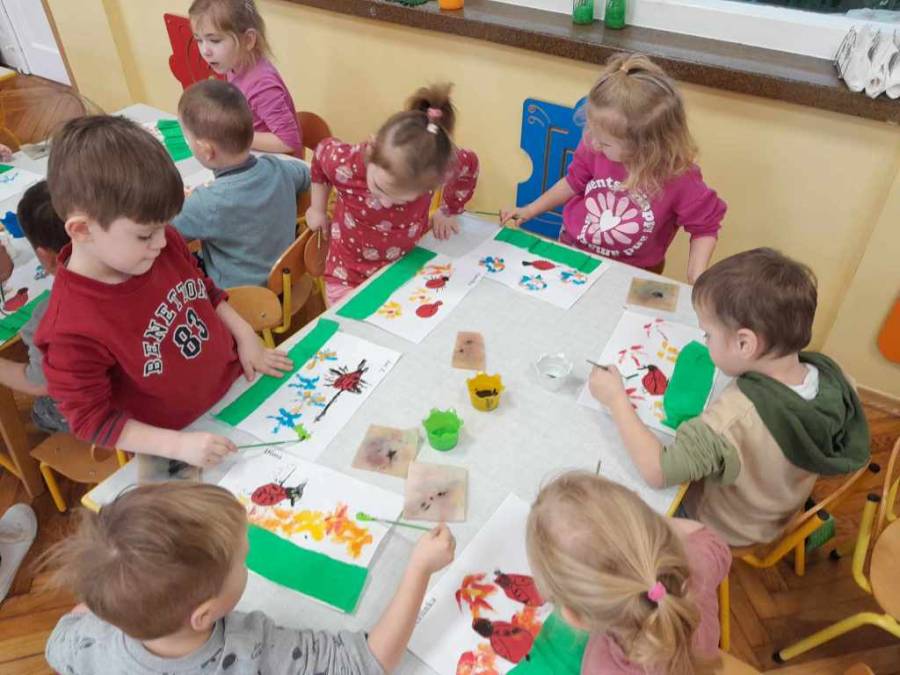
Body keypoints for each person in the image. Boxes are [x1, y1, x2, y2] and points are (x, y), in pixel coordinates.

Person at [36, 115, 292, 467]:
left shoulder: (159, 242)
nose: (163, 241)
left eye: (164, 226)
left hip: (235, 392)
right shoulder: (69, 329)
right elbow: (92, 420)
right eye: (145, 234)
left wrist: (245, 333)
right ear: (82, 230)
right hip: (177, 443)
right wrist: (178, 445)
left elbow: (203, 289)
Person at [588, 248, 871, 546]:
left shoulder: (733, 418)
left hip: (726, 527)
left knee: (622, 510)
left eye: (708, 335)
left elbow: (658, 471)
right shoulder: (835, 379)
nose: (704, 340)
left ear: (744, 344)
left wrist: (616, 399)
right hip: (781, 506)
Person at [44, 482, 455, 674]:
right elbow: (366, 663)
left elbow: (57, 643)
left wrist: (116, 600)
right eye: (242, 561)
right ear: (204, 615)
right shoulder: (250, 651)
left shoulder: (85, 642)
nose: (248, 562)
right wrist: (419, 569)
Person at [502, 53, 726, 283]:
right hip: (574, 250)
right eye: (592, 131)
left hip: (633, 271)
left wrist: (696, 276)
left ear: (646, 145)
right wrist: (530, 210)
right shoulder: (594, 145)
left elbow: (704, 227)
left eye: (605, 142)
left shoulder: (679, 177)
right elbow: (572, 182)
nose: (594, 143)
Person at [527, 471, 730, 674]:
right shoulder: (700, 561)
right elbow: (710, 542)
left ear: (575, 618)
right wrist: (641, 522)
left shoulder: (599, 668)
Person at [306, 83, 478, 304]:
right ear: (372, 149)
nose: (386, 203)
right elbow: (321, 153)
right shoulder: (347, 163)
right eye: (379, 188)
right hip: (347, 274)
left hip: (402, 269)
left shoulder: (437, 167)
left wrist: (449, 210)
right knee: (347, 322)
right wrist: (317, 209)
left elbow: (470, 166)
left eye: (402, 200)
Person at [174, 79, 310, 288]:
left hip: (238, 298)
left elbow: (162, 234)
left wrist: (177, 203)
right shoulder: (279, 169)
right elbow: (308, 174)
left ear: (205, 150)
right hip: (287, 280)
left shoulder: (206, 203)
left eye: (187, 139)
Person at [190, 0, 302, 155]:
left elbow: (288, 142)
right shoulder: (235, 64)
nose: (205, 51)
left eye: (215, 40)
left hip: (275, 164)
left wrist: (233, 135)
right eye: (199, 40)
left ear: (248, 40)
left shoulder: (261, 84)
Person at [0, 181, 69, 432]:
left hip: (119, 414)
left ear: (46, 257)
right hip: (158, 384)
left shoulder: (47, 319)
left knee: (43, 408)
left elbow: (41, 384)